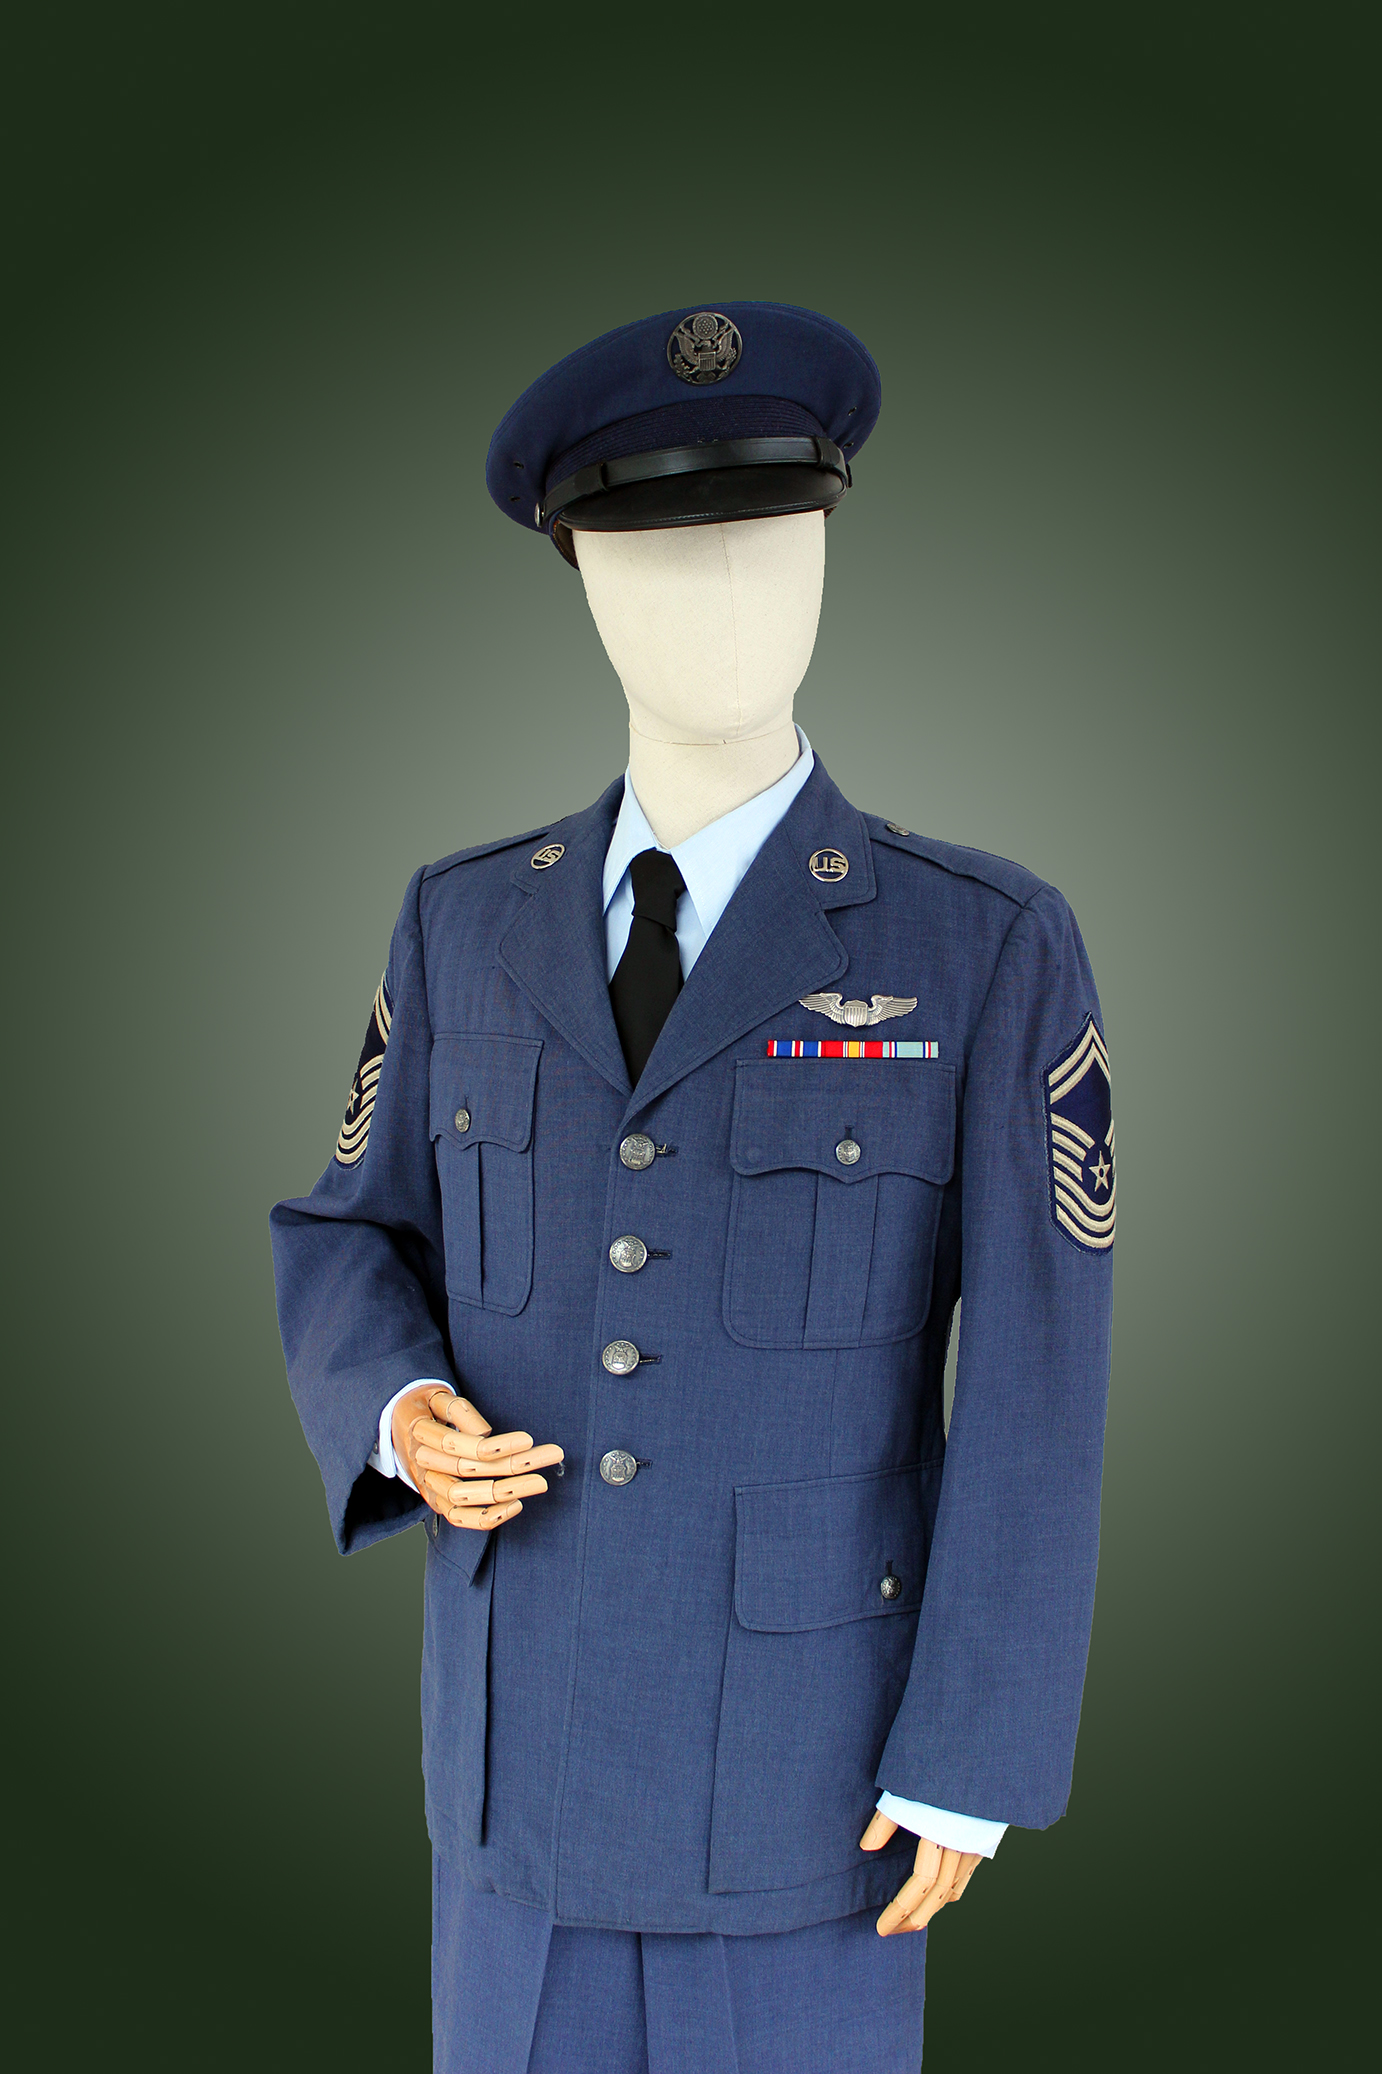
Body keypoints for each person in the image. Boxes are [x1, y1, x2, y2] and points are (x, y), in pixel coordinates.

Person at [271, 302, 1115, 2072]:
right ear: (581, 577)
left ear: (829, 558)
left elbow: (1038, 1376)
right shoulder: (461, 920)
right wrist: (396, 1408)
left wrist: (972, 1751)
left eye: (771, 541)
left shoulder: (976, 943)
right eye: (661, 553)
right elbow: (349, 1230)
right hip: (513, 1775)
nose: (724, 597)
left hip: (811, 1782)